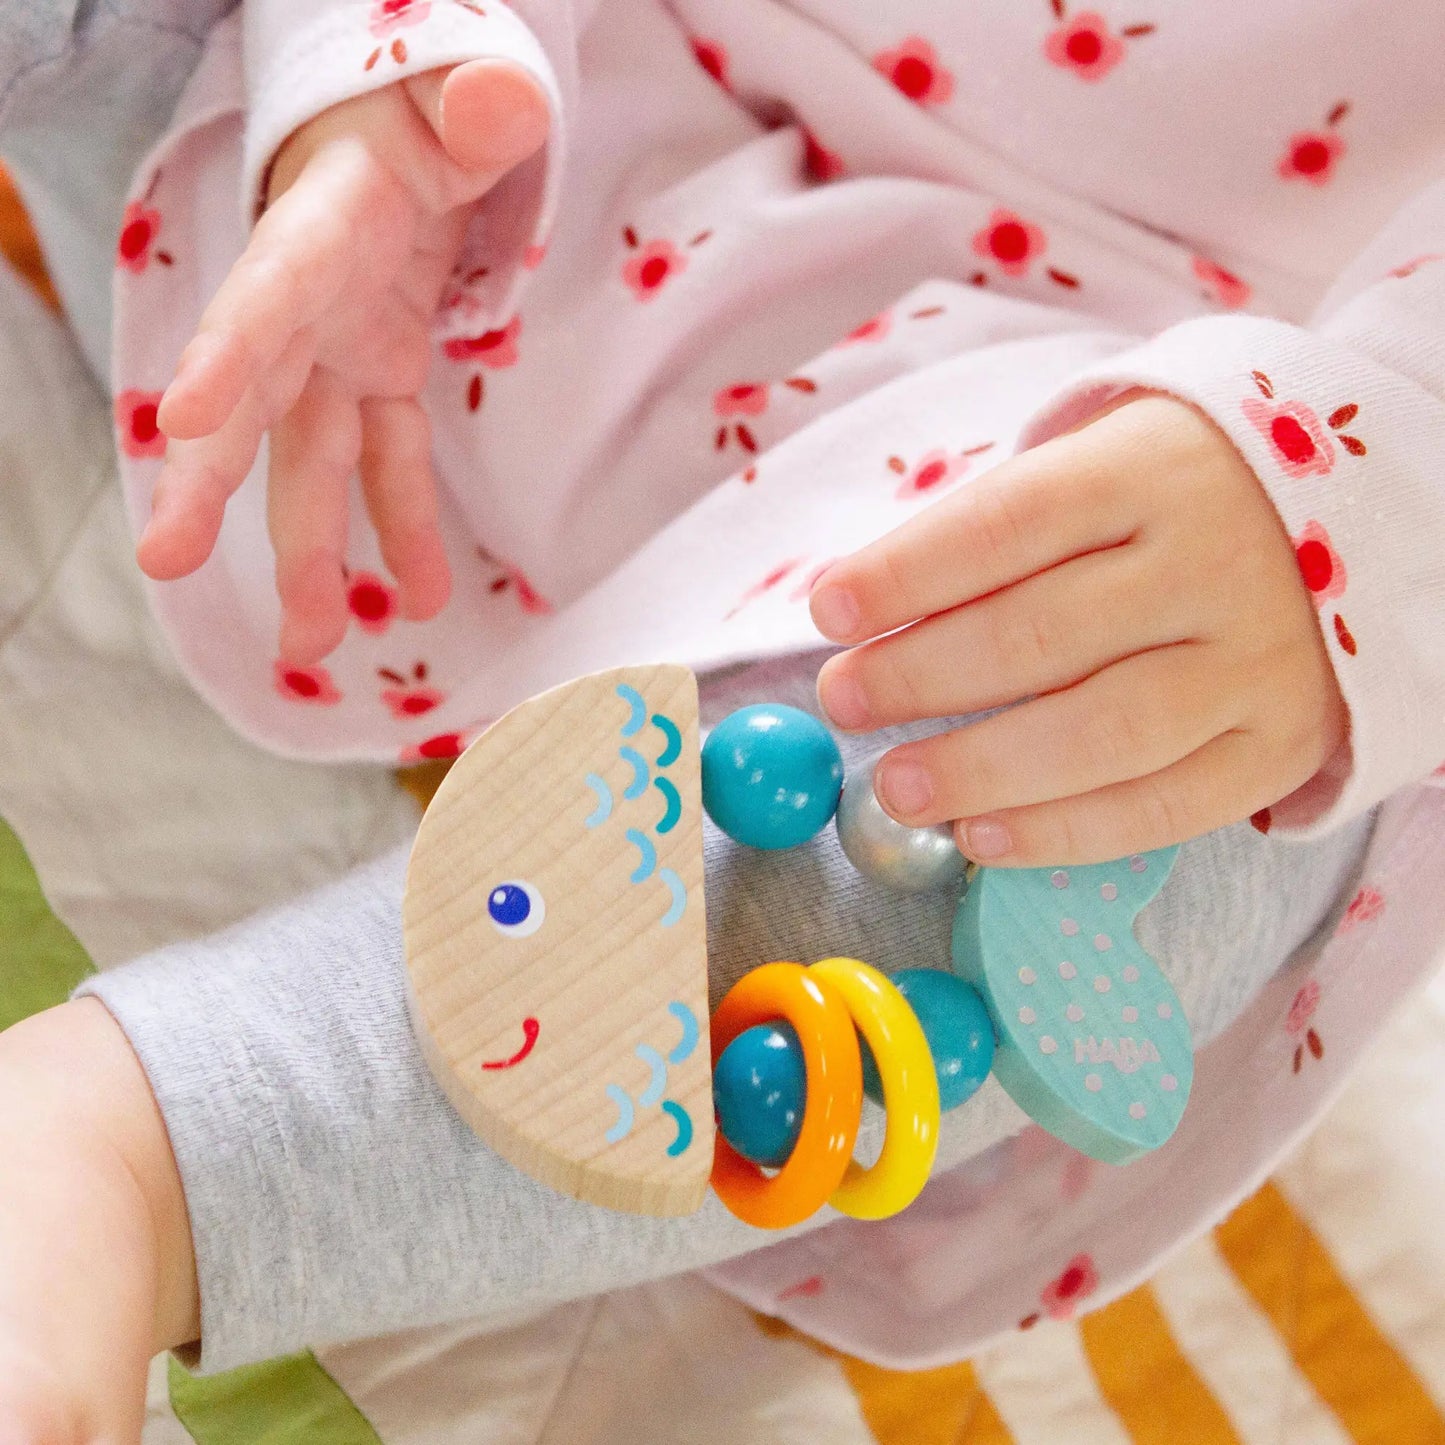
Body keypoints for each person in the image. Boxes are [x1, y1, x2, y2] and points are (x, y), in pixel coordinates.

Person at [2, 0, 1443, 1438]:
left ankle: (147, 1149)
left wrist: (1360, 480)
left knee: (1126, 828)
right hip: (440, 155)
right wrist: (379, 74)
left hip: (1163, 443)